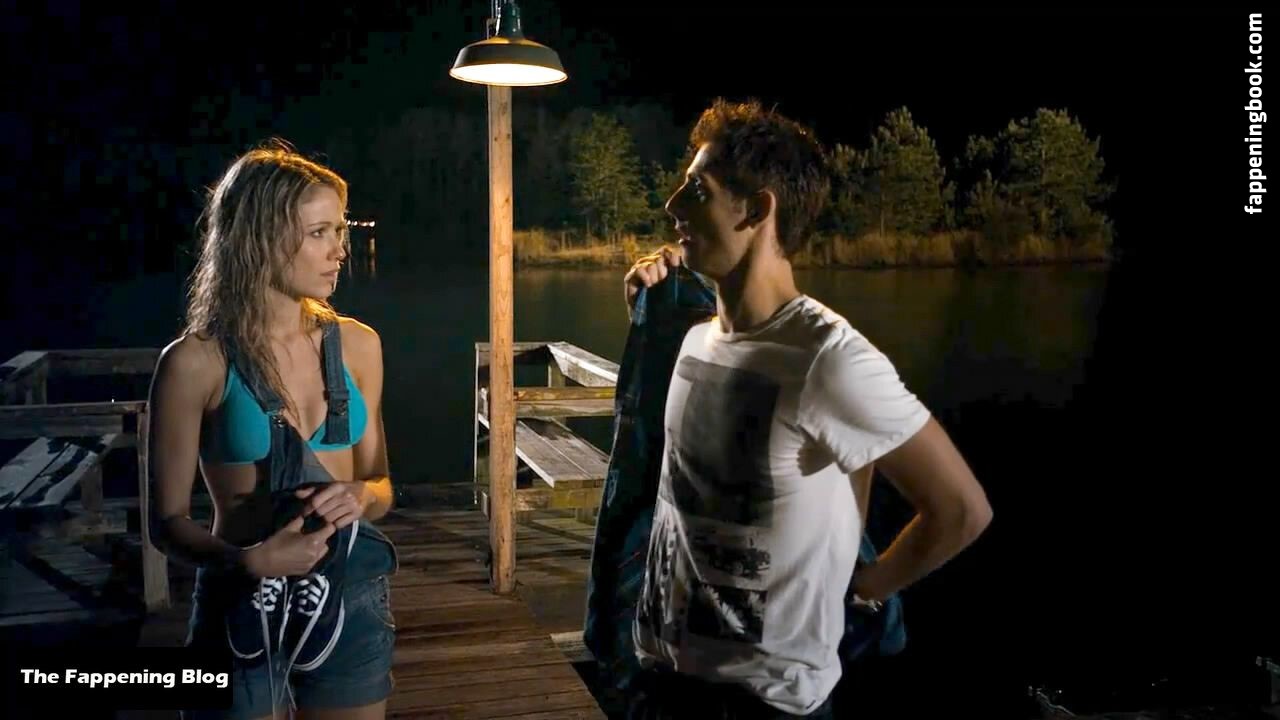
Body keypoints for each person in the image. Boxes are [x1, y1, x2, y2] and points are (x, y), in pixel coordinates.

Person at [621, 99, 993, 719]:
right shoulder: (694, 340)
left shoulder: (827, 357)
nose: (672, 206)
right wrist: (643, 314)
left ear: (756, 210)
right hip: (662, 678)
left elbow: (960, 510)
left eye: (697, 190)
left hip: (762, 704)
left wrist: (865, 587)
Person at [147, 140, 399, 720]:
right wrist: (249, 563)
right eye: (319, 233)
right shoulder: (195, 363)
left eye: (340, 231)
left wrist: (361, 497)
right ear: (259, 239)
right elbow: (167, 524)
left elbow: (382, 484)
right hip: (240, 600)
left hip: (351, 599)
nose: (340, 251)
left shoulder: (359, 345)